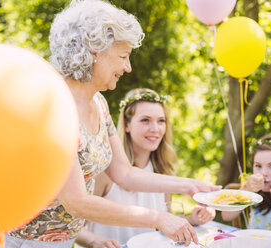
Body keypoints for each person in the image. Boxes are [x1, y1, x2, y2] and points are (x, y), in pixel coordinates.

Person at [0, 1, 220, 247]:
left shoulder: (99, 102)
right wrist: (159, 218)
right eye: (123, 56)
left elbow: (124, 173)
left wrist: (190, 185)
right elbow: (77, 201)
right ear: (95, 52)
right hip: (17, 239)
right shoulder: (52, 105)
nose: (127, 67)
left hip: (60, 239)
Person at [74, 88, 216, 247]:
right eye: (145, 120)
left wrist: (192, 219)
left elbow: (162, 223)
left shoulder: (163, 171)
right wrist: (95, 241)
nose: (155, 129)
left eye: (161, 121)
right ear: (127, 125)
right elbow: (73, 223)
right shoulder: (107, 170)